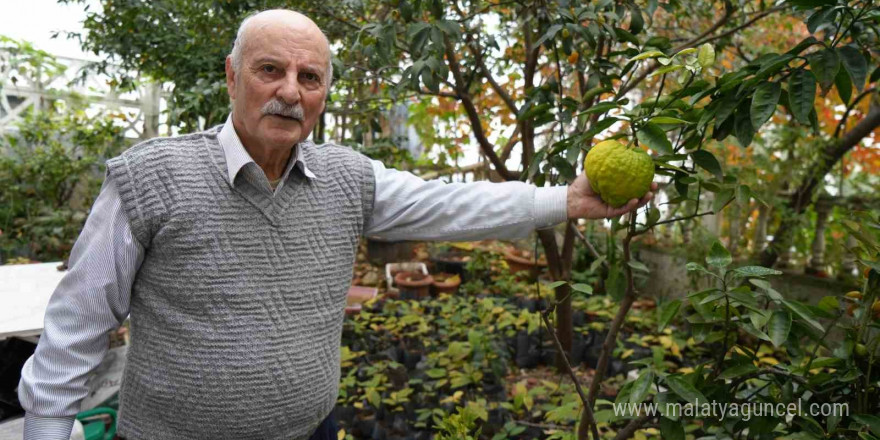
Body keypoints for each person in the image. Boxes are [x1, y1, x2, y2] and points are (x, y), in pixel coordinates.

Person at [18, 9, 656, 440]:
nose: (290, 91)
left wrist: (567, 202)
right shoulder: (151, 176)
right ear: (232, 75)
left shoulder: (348, 179)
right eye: (271, 70)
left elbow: (451, 205)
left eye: (310, 77)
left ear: (323, 92)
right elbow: (78, 321)